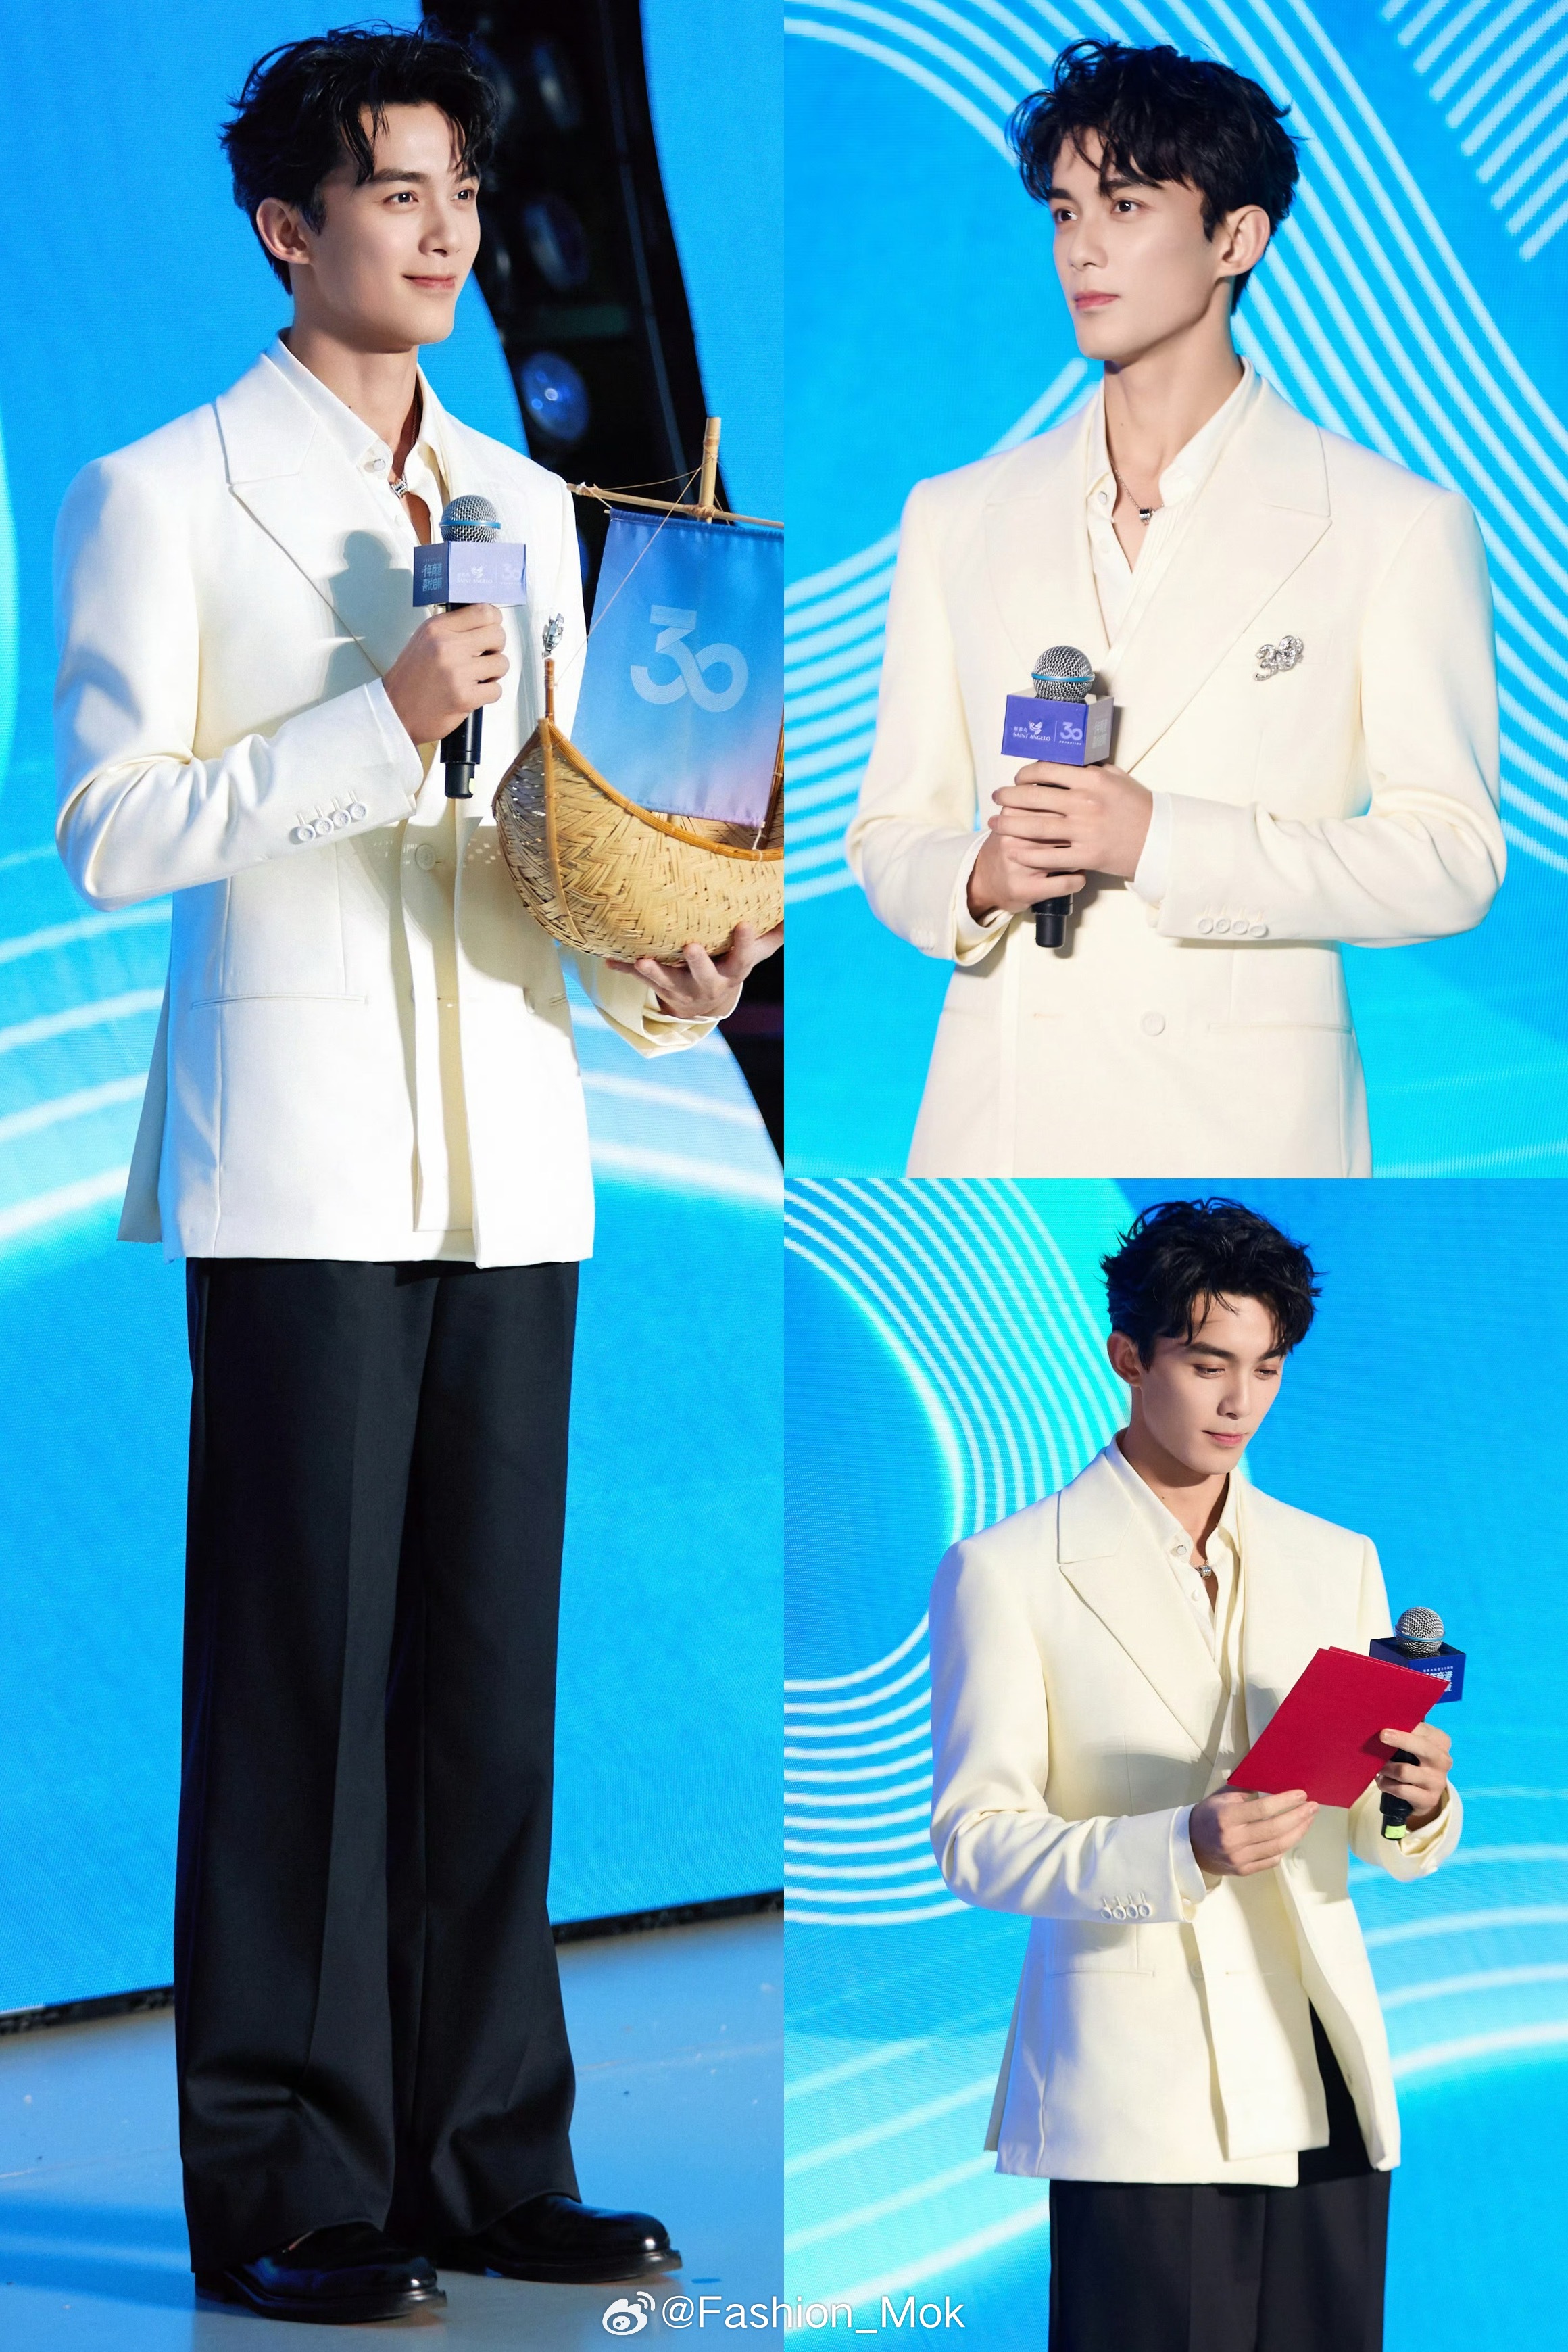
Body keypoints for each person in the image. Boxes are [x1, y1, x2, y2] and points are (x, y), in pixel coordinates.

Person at [53, 24, 778, 2326]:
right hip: (297, 1166)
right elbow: (109, 831)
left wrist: (674, 966)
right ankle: (288, 2180)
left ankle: (485, 2157)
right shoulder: (160, 491)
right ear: (289, 228)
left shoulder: (526, 505)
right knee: (300, 1693)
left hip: (514, 1155)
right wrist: (374, 724)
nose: (451, 228)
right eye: (398, 190)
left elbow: (539, 844)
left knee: (483, 1683)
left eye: (464, 187)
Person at [845, 40, 1503, 1178]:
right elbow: (889, 831)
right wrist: (980, 878)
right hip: (1004, 1114)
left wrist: (1160, 840)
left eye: (1126, 204)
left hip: (1244, 1122)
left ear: (1236, 239)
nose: (1081, 248)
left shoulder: (1392, 524)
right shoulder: (955, 516)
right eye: (1064, 212)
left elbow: (1451, 856)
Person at [927, 1197, 1460, 2352]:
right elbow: (975, 1837)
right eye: (1208, 1364)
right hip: (1144, 2085)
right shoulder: (1005, 1571)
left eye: (1267, 1369)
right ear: (1128, 1357)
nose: (1239, 1403)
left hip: (1322, 2065)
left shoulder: (1338, 1559)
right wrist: (1182, 1845)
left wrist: (1417, 1805)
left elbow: (1369, 1831)